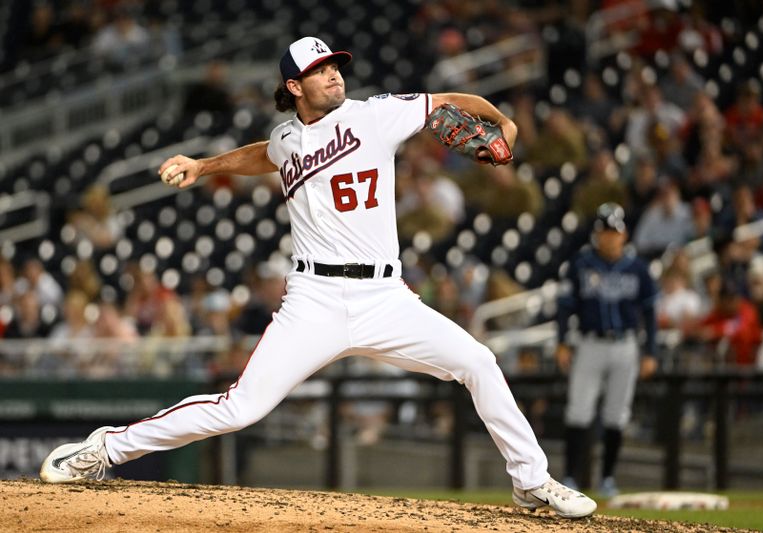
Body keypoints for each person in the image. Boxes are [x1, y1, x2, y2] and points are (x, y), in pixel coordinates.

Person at [39, 36, 596, 519]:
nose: (334, 74)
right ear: (295, 86)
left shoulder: (374, 114)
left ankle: (531, 482)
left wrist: (501, 118)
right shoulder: (286, 139)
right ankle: (105, 450)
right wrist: (204, 166)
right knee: (241, 408)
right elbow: (266, 154)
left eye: (335, 66)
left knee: (477, 361)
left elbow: (447, 102)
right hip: (315, 299)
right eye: (320, 70)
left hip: (384, 297)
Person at [556, 202, 658, 498]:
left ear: (624, 234)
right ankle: (572, 477)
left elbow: (650, 314)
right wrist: (562, 341)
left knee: (617, 415)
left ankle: (608, 478)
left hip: (626, 344)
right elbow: (564, 308)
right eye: (605, 231)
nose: (610, 237)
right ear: (597, 234)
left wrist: (650, 351)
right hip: (589, 343)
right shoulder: (581, 264)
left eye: (615, 231)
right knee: (578, 411)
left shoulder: (638, 268)